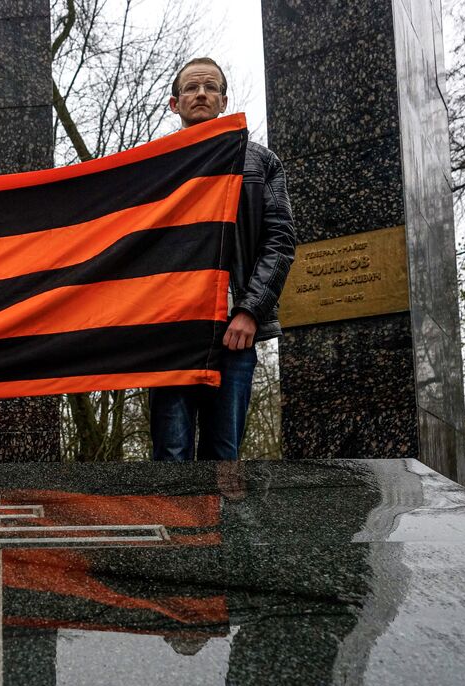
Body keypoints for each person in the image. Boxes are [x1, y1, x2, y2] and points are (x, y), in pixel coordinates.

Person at [149, 58, 296, 461]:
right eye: (192, 88)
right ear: (174, 103)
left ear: (224, 100)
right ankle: (176, 528)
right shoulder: (152, 166)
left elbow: (280, 242)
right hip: (169, 336)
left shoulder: (262, 163)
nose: (201, 94)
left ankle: (219, 528)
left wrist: (250, 311)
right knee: (170, 455)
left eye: (210, 88)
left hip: (234, 333)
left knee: (222, 457)